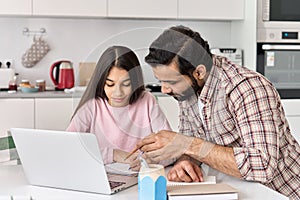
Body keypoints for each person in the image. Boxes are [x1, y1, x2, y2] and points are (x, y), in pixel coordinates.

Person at [136, 25, 300, 199]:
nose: (164, 89)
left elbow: (263, 166)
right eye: (160, 81)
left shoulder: (247, 88)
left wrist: (186, 145)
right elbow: (193, 139)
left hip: (282, 194)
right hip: (240, 190)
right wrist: (186, 161)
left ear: (199, 72)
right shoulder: (188, 90)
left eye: (171, 82)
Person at [66, 46, 171, 169]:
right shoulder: (92, 106)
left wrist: (150, 161)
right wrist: (113, 154)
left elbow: (172, 148)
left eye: (126, 84)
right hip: (102, 180)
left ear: (135, 82)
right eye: (110, 84)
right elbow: (68, 147)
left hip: (140, 178)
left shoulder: (147, 101)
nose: (118, 93)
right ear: (101, 82)